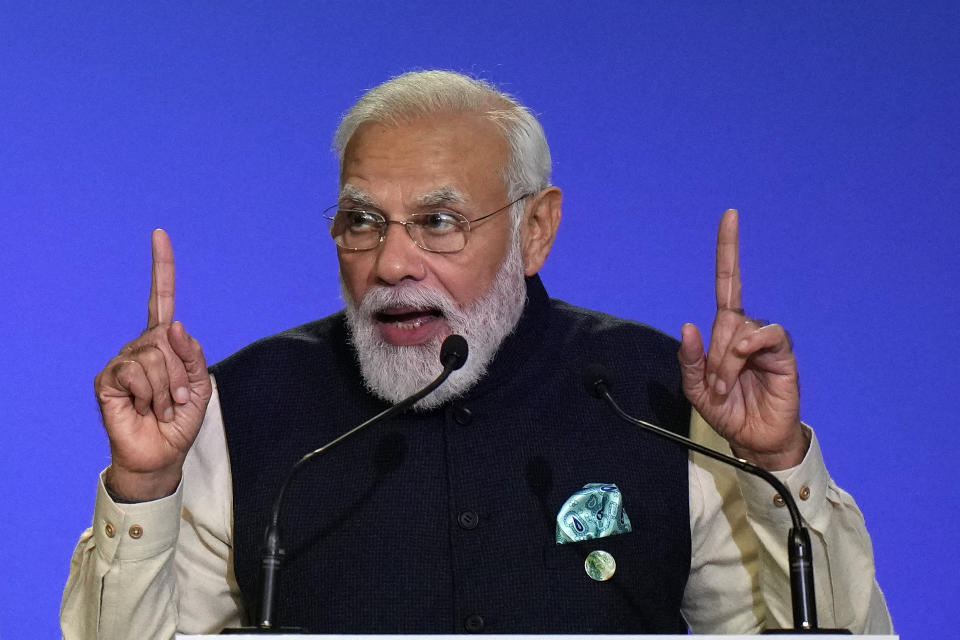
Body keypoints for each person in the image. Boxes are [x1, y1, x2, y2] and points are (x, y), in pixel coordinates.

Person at [61, 71, 892, 637]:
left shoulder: (659, 398)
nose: (390, 264)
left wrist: (776, 464)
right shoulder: (243, 406)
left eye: (437, 221)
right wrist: (145, 485)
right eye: (361, 221)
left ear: (536, 230)